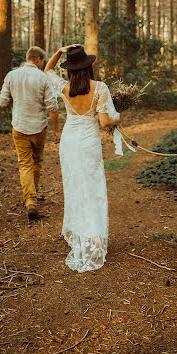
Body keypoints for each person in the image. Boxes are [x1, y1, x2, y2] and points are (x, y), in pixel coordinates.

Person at [45, 44, 120, 273]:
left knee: (75, 187)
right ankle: (94, 236)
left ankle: (80, 231)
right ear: (88, 67)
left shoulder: (65, 88)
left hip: (70, 142)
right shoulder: (100, 88)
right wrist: (118, 119)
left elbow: (47, 71)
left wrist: (59, 51)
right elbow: (105, 122)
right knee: (93, 186)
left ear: (69, 69)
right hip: (88, 143)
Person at [0, 46, 60, 221]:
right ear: (38, 59)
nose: (43, 64)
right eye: (43, 62)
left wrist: (15, 100)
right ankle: (32, 196)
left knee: (24, 164)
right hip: (39, 128)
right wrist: (56, 130)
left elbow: (2, 102)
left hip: (19, 126)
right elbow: (52, 107)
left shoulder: (11, 75)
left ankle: (30, 200)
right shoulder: (43, 78)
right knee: (37, 162)